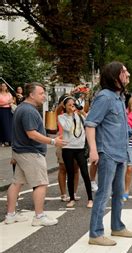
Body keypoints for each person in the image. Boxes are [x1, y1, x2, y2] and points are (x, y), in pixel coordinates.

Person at [85, 61, 132, 246]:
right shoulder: (104, 97)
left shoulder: (119, 97)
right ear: (114, 76)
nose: (128, 74)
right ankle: (95, 234)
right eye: (124, 72)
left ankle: (117, 226)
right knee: (104, 193)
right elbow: (90, 124)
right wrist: (94, 151)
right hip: (108, 153)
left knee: (119, 193)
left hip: (120, 152)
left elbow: (119, 126)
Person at [5, 82, 66, 226]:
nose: (44, 96)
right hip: (31, 153)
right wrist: (52, 141)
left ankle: (10, 214)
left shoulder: (21, 108)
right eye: (41, 93)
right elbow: (31, 133)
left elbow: (17, 132)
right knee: (41, 184)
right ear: (31, 95)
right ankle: (39, 217)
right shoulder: (29, 111)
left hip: (21, 152)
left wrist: (14, 153)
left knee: (16, 183)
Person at [58, 96, 93, 208]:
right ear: (65, 106)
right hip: (68, 148)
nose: (72, 107)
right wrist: (71, 115)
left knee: (84, 172)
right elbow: (67, 128)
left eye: (74, 104)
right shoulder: (62, 117)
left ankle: (90, 199)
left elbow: (90, 123)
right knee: (70, 173)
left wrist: (82, 112)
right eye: (70, 105)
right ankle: (71, 198)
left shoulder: (80, 116)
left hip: (80, 147)